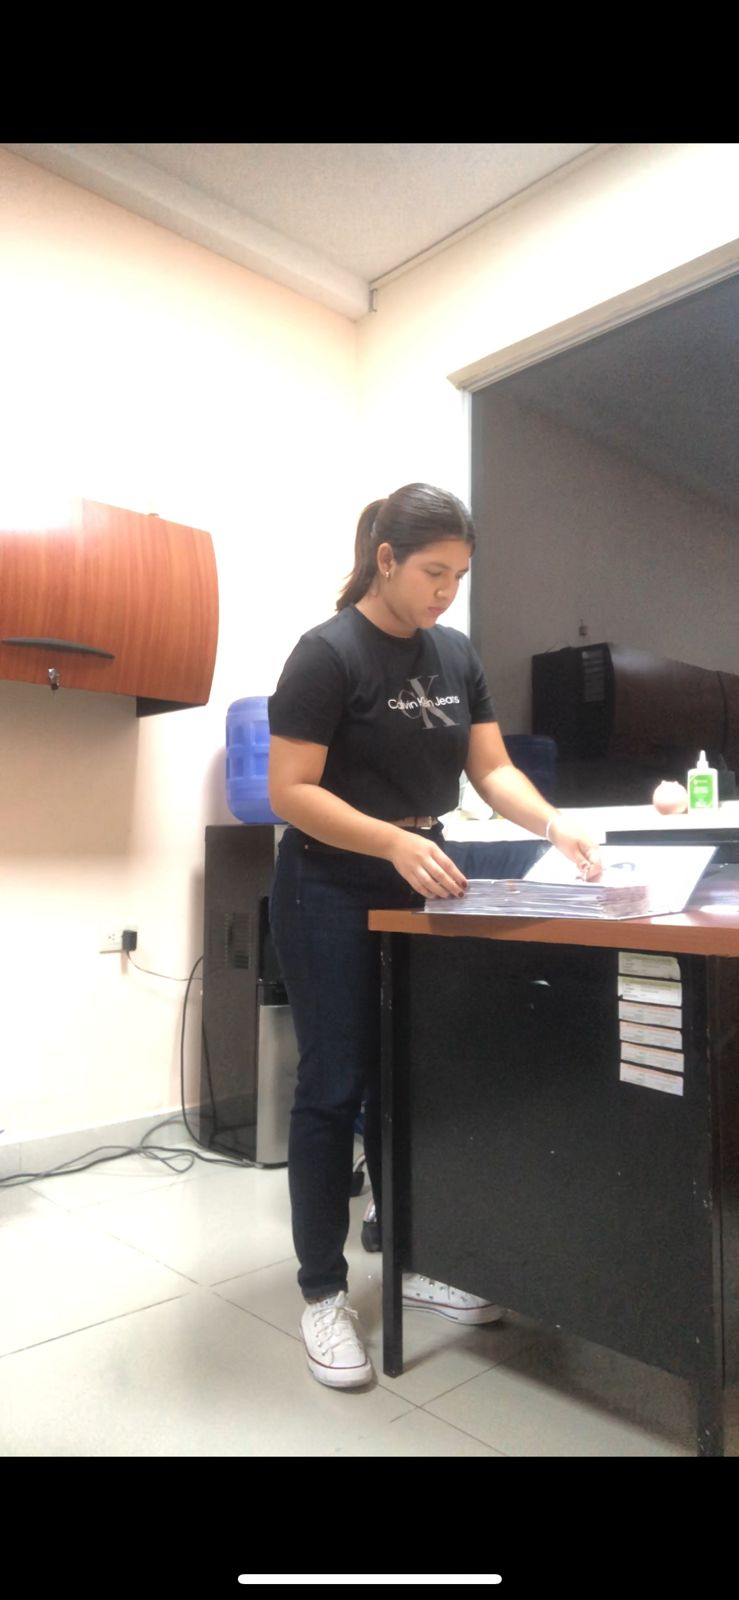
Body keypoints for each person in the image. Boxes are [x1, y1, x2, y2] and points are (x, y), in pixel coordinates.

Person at [267, 482, 602, 1389]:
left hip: (423, 870)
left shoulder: (453, 653)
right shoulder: (327, 654)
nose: (445, 592)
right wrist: (387, 841)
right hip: (330, 879)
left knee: (411, 1077)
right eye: (432, 572)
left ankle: (414, 1256)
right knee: (334, 1083)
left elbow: (490, 770)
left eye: (458, 576)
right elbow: (290, 790)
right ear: (385, 560)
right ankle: (322, 1291)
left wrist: (552, 824)